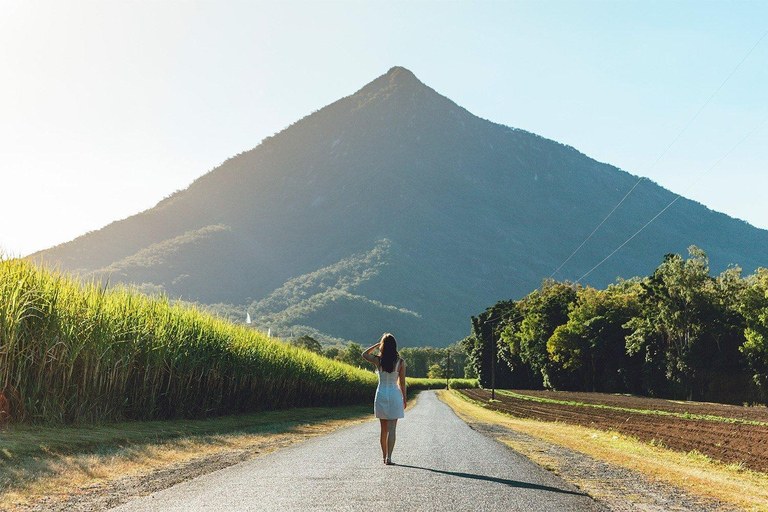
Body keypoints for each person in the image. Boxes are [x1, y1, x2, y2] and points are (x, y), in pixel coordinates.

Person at [361, 332, 406, 465]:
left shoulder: (378, 360)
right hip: (394, 394)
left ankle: (383, 456)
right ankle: (389, 457)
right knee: (392, 429)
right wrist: (404, 398)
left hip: (381, 393)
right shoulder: (400, 362)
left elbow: (364, 354)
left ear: (383, 346)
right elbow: (402, 383)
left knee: (383, 429)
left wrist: (376, 345)